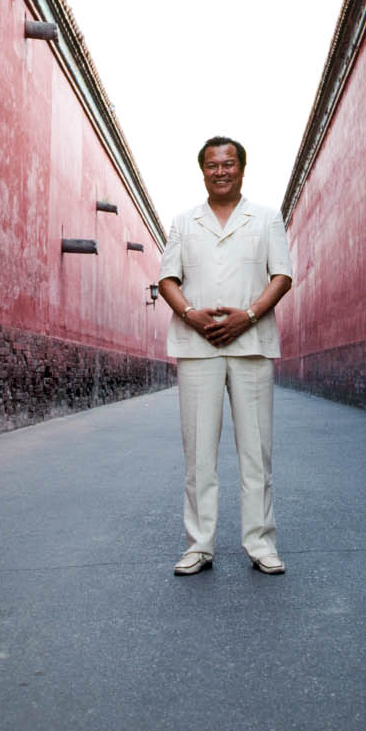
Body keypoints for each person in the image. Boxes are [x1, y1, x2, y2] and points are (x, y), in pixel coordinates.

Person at [156, 135, 294, 576]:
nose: (221, 171)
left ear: (241, 169)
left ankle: (261, 543)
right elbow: (167, 280)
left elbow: (282, 276)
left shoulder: (267, 218)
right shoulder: (183, 221)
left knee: (256, 451)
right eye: (213, 165)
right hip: (198, 349)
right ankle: (199, 545)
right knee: (198, 454)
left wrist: (248, 316)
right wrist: (191, 315)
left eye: (229, 163)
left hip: (251, 345)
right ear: (203, 171)